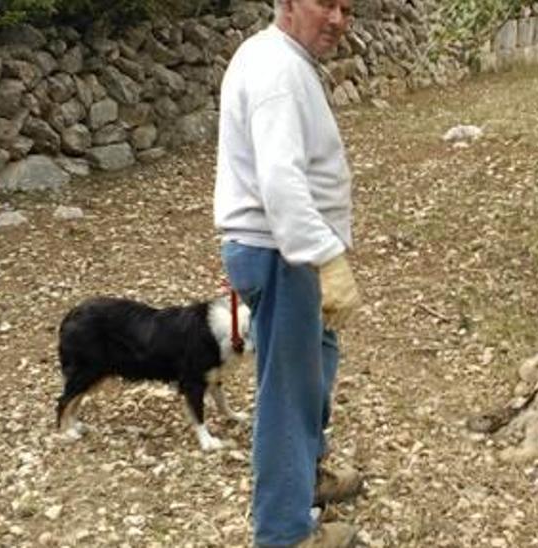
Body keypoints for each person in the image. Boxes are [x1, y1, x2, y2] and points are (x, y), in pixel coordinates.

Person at [213, 0, 364, 546]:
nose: (338, 19)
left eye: (348, 7)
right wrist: (324, 257)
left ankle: (309, 475)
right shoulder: (277, 70)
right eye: (326, 3)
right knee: (289, 392)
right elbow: (280, 184)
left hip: (286, 252)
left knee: (315, 365)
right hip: (283, 253)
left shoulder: (283, 59)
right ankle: (283, 533)